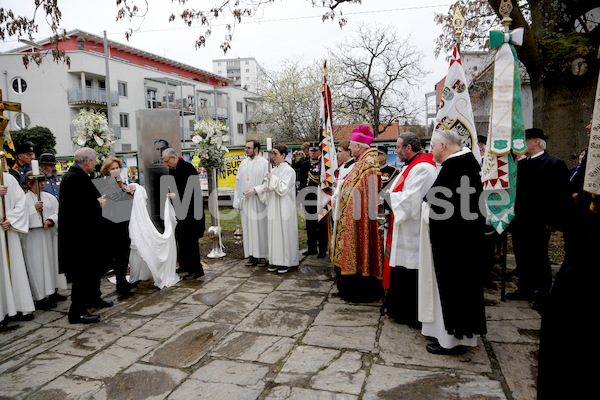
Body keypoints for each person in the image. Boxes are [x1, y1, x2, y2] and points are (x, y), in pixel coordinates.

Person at [420, 128, 487, 355]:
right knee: (463, 290)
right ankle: (462, 334)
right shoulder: (467, 163)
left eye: (432, 147)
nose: (431, 152)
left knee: (454, 290)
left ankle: (452, 341)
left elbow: (433, 198)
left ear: (443, 146)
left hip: (454, 242)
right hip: (463, 239)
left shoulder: (455, 166)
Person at [507, 128, 569, 311]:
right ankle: (524, 289)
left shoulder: (554, 163)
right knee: (522, 256)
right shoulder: (522, 164)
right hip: (520, 220)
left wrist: (554, 220)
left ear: (536, 142)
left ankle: (543, 294)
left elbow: (560, 195)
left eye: (525, 140)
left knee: (539, 257)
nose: (522, 144)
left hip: (540, 221)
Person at [382, 132, 436, 326]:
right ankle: (399, 310)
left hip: (413, 229)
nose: (395, 151)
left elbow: (410, 199)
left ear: (408, 148)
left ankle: (411, 314)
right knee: (403, 267)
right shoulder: (411, 166)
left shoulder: (422, 168)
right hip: (404, 227)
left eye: (397, 147)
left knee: (411, 269)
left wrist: (387, 199)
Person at [330, 125, 383, 303]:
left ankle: (360, 290)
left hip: (360, 217)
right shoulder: (361, 163)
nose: (349, 148)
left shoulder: (367, 165)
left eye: (351, 145)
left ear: (359, 146)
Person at [59, 147, 107, 324]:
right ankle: (76, 312)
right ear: (87, 162)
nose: (95, 164)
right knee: (81, 275)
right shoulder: (74, 178)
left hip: (85, 235)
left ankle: (93, 299)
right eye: (94, 161)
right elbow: (78, 209)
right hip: (79, 238)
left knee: (90, 272)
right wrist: (98, 203)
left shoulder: (78, 176)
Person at [22, 172, 67, 309]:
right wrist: (33, 210)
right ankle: (40, 298)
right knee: (37, 266)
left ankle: (53, 291)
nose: (42, 184)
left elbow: (58, 212)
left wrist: (50, 220)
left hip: (49, 235)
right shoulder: (24, 200)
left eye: (43, 181)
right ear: (30, 184)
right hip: (33, 237)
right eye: (38, 182)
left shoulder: (49, 197)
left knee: (51, 264)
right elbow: (20, 216)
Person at [163, 148, 205, 280]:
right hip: (181, 213)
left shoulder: (188, 168)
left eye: (166, 161)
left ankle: (197, 269)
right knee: (182, 238)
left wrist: (176, 195)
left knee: (191, 241)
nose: (166, 164)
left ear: (174, 158)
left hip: (192, 212)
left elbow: (192, 190)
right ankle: (184, 265)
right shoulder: (173, 169)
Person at [97, 157, 136, 296]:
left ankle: (122, 282)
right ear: (106, 170)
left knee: (124, 255)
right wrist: (127, 193)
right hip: (111, 225)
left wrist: (130, 191)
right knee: (118, 256)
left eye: (117, 168)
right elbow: (117, 200)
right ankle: (121, 286)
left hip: (123, 222)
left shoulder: (120, 182)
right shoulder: (104, 183)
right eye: (112, 168)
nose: (115, 170)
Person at [0, 170, 35, 323]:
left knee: (14, 267)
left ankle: (20, 306)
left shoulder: (8, 178)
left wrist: (11, 219)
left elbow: (22, 203)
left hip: (9, 231)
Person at [260, 144, 299, 274]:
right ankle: (276, 260)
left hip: (284, 205)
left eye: (275, 153)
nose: (272, 156)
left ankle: (287, 261)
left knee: (284, 232)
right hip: (274, 205)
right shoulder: (275, 169)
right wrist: (267, 187)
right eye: (271, 153)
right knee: (275, 233)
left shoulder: (289, 170)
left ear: (283, 155)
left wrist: (273, 179)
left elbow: (283, 188)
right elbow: (271, 186)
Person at [233, 140, 269, 267]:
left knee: (260, 228)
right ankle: (251, 255)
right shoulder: (243, 163)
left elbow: (267, 183)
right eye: (246, 147)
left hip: (258, 201)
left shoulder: (265, 163)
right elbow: (237, 183)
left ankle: (262, 256)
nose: (246, 150)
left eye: (249, 148)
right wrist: (236, 201)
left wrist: (254, 190)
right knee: (247, 228)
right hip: (245, 201)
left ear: (256, 149)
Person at [299, 143, 328, 258]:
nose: (313, 152)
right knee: (310, 225)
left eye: (316, 151)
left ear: (320, 152)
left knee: (321, 225)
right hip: (308, 198)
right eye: (311, 150)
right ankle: (311, 247)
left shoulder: (324, 165)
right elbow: (302, 182)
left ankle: (322, 249)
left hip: (320, 199)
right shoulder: (305, 165)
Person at [331, 140, 355, 235]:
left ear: (348, 152)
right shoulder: (342, 167)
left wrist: (340, 183)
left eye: (340, 151)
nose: (337, 154)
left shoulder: (354, 166)